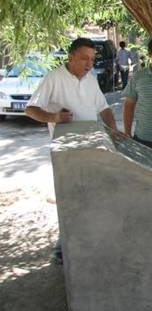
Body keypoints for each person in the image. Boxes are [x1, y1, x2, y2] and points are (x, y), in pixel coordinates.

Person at [25, 37, 118, 263]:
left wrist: (114, 133)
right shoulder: (54, 78)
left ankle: (87, 241)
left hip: (92, 148)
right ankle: (62, 250)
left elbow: (104, 109)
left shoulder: (91, 80)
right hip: (66, 152)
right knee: (70, 198)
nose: (89, 64)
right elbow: (31, 109)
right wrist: (55, 117)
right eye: (84, 59)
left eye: (92, 59)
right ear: (71, 57)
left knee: (91, 196)